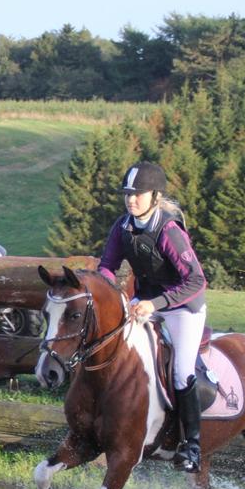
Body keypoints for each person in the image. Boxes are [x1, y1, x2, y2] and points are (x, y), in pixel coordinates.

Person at [97, 161, 208, 473]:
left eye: (138, 194)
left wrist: (156, 303)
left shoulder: (169, 231)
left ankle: (192, 445)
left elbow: (196, 280)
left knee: (181, 371)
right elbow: (107, 265)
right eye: (127, 195)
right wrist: (108, 291)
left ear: (155, 196)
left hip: (183, 307)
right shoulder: (122, 226)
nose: (131, 200)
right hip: (145, 302)